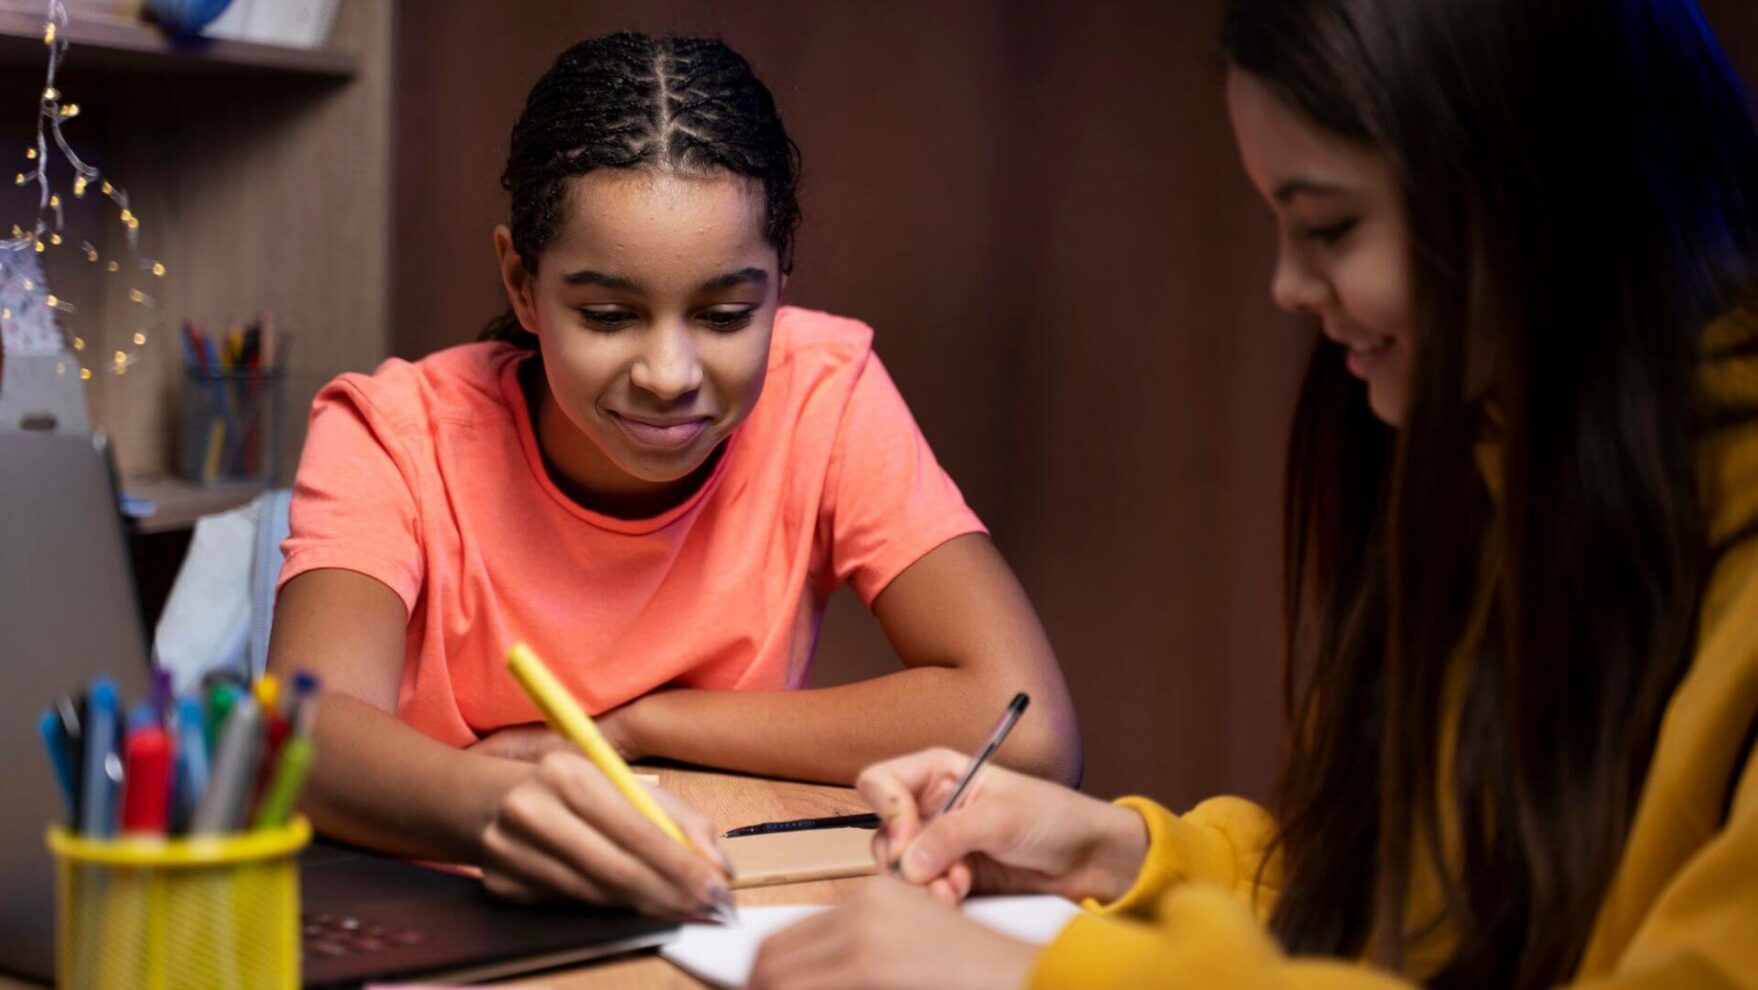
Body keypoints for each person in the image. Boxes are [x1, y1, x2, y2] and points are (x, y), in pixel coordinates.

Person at [750, 0, 1758, 985]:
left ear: (1536, 187)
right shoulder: (1502, 467)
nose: (1286, 285)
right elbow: (1422, 923)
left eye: (1330, 226)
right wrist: (1121, 855)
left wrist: (1053, 973)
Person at [266, 33, 1080, 918]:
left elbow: (1028, 730)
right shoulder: (390, 435)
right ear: (523, 282)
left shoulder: (824, 393)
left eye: (727, 314)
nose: (669, 372)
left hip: (703, 907)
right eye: (609, 314)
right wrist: (516, 811)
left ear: (779, 285)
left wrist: (639, 727)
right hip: (450, 911)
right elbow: (307, 733)